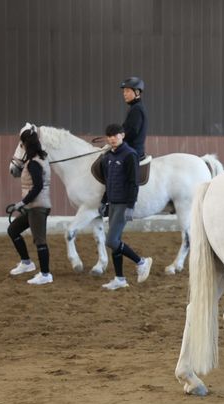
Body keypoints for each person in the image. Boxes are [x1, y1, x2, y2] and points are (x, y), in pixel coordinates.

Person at [99, 124, 153, 290]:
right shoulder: (108, 157)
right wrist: (104, 201)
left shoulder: (130, 155)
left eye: (115, 135)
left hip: (123, 204)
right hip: (113, 202)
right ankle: (120, 279)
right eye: (109, 136)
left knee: (111, 241)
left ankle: (141, 261)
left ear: (122, 135)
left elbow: (133, 183)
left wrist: (130, 205)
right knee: (116, 242)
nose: (112, 138)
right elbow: (109, 182)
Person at [8, 124, 53, 285]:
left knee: (40, 241)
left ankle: (46, 274)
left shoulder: (34, 163)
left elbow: (38, 187)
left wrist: (21, 203)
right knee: (13, 230)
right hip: (33, 206)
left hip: (37, 207)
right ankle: (27, 263)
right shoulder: (40, 158)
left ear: (27, 145)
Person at [120, 76, 147, 160]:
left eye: (127, 91)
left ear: (137, 92)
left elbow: (132, 132)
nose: (124, 94)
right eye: (124, 91)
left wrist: (117, 139)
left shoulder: (137, 109)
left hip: (132, 150)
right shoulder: (134, 107)